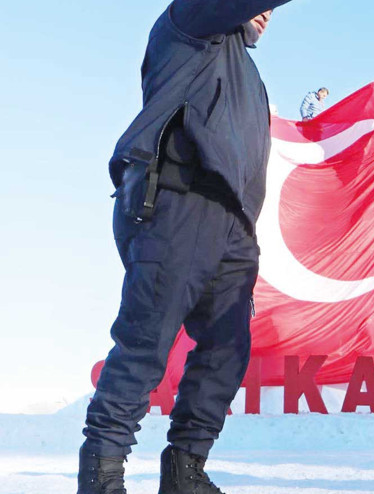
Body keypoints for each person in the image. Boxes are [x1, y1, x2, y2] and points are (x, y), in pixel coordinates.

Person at [78, 2, 294, 493]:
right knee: (146, 342)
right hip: (179, 202)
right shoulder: (192, 23)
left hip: (232, 223)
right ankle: (102, 474)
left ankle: (185, 470)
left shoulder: (250, 77)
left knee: (227, 348)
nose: (266, 14)